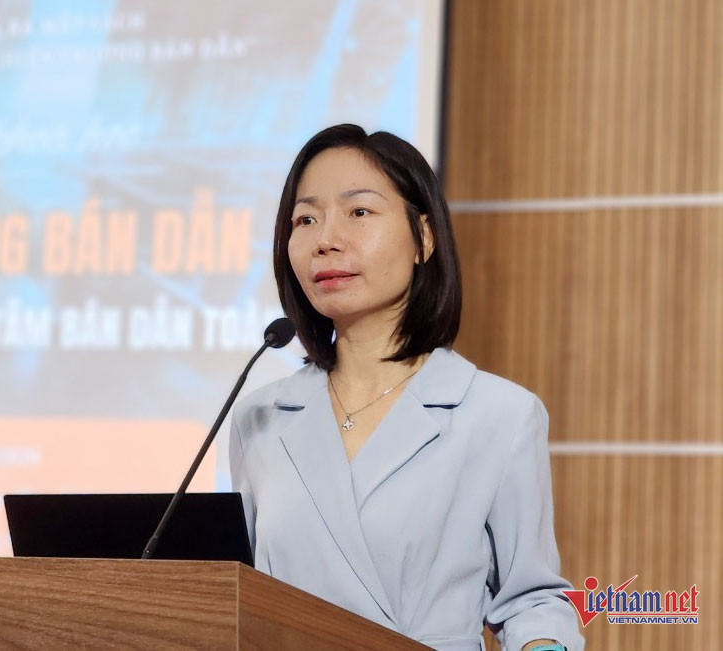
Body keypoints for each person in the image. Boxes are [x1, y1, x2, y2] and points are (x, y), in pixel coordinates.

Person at [229, 125, 584, 651]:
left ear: (424, 237)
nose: (326, 239)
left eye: (359, 212)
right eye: (305, 219)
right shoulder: (260, 418)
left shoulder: (500, 414)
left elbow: (532, 602)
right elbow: (243, 594)